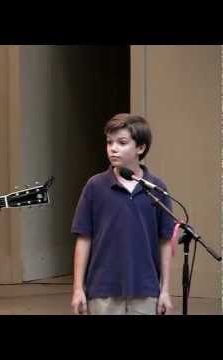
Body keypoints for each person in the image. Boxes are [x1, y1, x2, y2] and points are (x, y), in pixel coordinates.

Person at [70, 113, 174, 315]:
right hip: (102, 290)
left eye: (122, 142)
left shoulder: (157, 188)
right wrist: (77, 289)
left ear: (140, 148)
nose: (113, 148)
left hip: (145, 290)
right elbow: (84, 238)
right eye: (109, 142)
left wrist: (165, 291)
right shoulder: (95, 186)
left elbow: (165, 241)